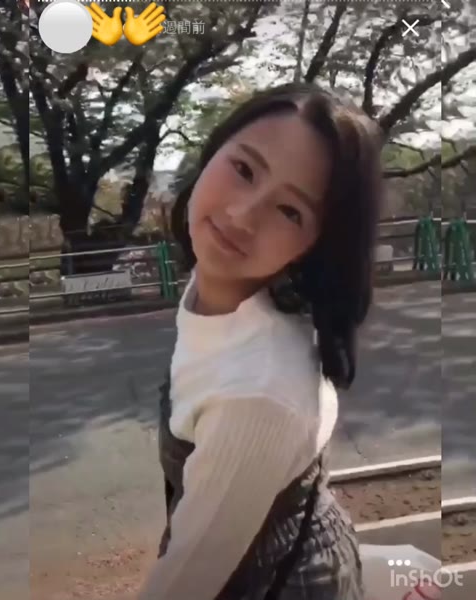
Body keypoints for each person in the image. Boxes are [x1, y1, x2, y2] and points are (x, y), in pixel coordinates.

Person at [138, 82, 383, 600]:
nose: (242, 215)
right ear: (212, 153)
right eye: (244, 169)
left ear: (315, 243)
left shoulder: (257, 393)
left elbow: (186, 584)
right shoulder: (232, 295)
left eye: (290, 211)